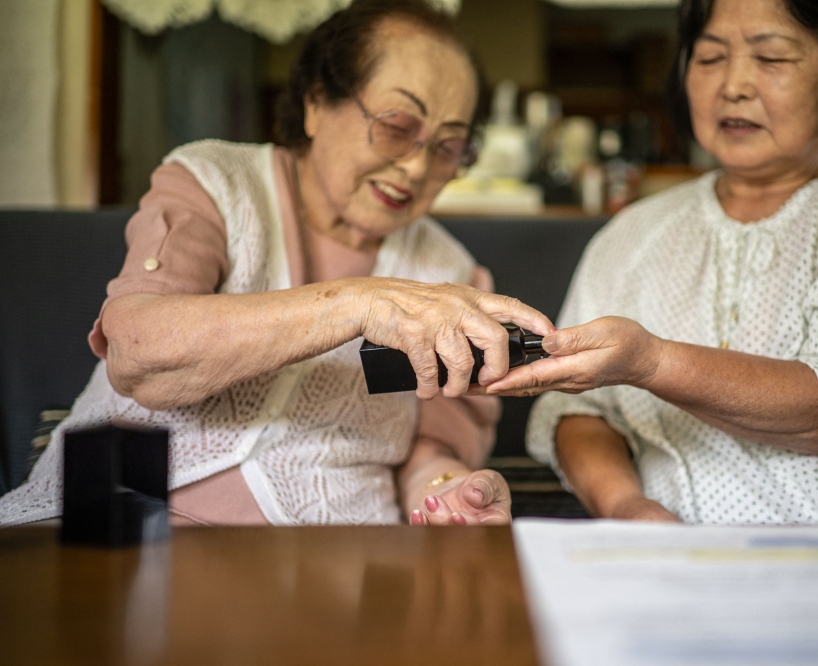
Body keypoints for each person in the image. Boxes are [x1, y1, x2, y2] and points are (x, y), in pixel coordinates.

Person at [0, 0, 553, 528]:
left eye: (448, 147)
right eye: (396, 125)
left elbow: (429, 454)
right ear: (316, 103)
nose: (415, 166)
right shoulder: (218, 184)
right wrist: (357, 302)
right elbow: (138, 350)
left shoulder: (452, 273)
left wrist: (451, 494)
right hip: (117, 525)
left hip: (324, 563)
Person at [481, 0, 818, 524]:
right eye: (710, 58)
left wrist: (652, 362)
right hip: (666, 570)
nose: (733, 85)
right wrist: (626, 505)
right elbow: (576, 410)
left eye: (772, 58)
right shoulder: (632, 233)